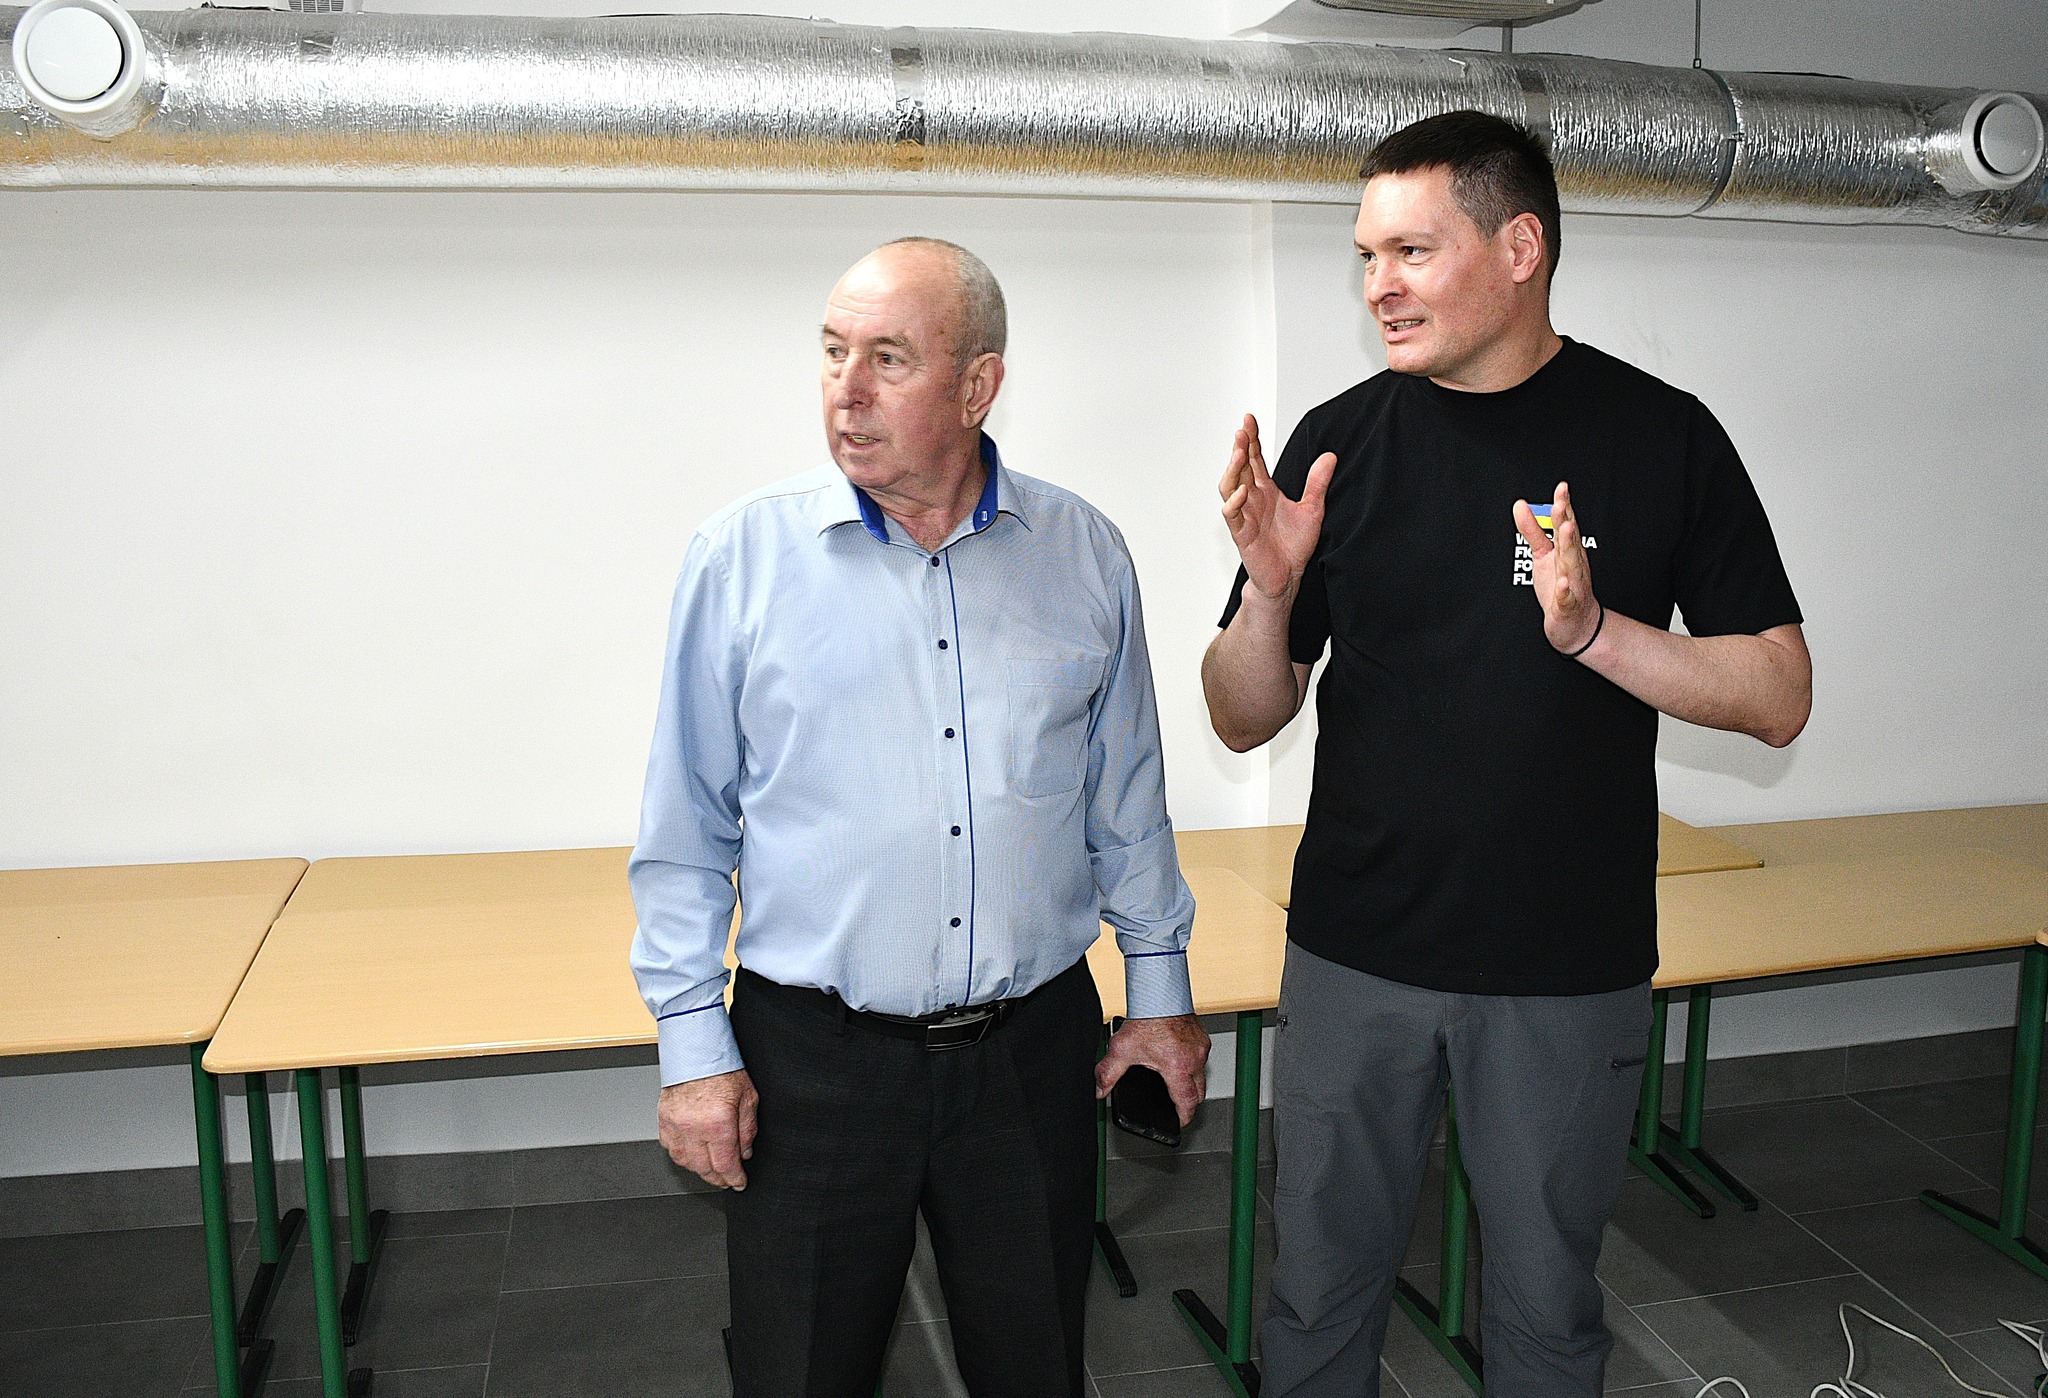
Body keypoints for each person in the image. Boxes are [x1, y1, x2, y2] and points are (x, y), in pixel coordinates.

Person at [1201, 112, 1811, 1397]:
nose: (1377, 285)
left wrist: (1592, 633)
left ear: (1519, 248)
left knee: (1543, 1310)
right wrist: (1267, 593)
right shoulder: (1339, 440)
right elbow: (1241, 716)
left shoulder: (1660, 434)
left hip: (1561, 968)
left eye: (1411, 251)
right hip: (1356, 953)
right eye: (1366, 256)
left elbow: (1776, 695)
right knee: (1316, 1298)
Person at [628, 236, 1211, 1398]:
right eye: (832, 353)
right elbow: (685, 832)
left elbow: (1125, 798)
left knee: (1033, 1364)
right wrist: (692, 1050)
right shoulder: (740, 559)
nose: (845, 391)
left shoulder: (1082, 554)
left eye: (887, 359)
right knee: (802, 1370)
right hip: (816, 1063)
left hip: (1028, 1056)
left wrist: (1159, 999)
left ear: (978, 384)